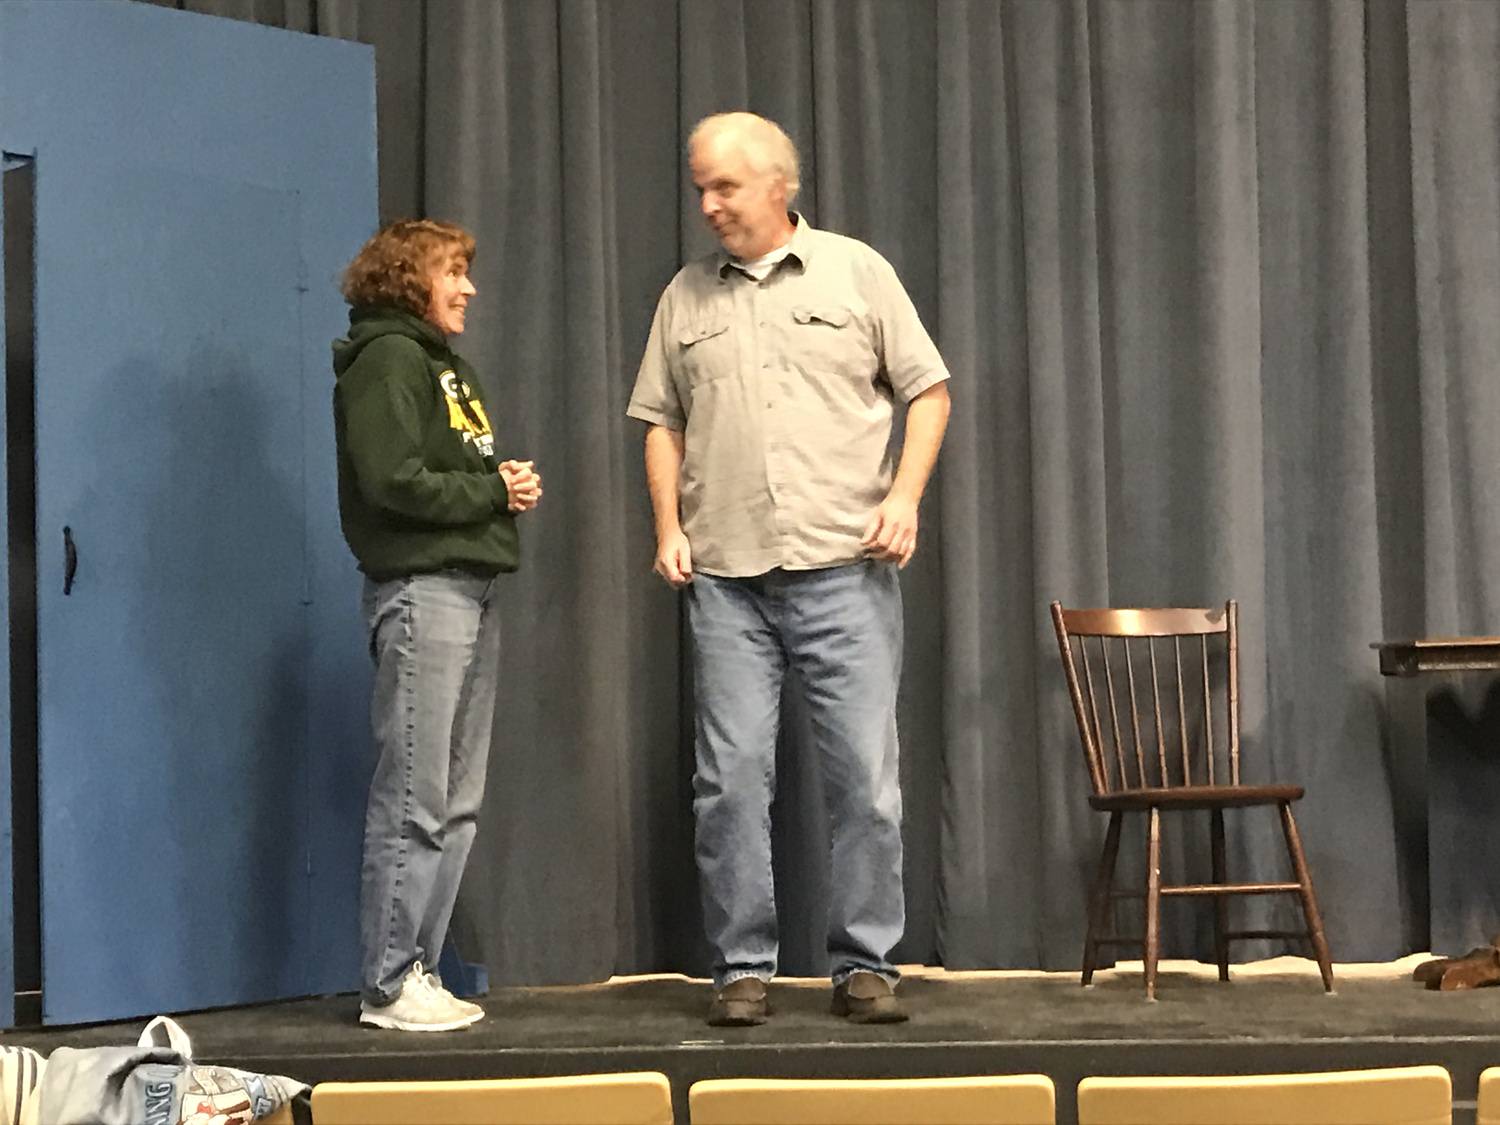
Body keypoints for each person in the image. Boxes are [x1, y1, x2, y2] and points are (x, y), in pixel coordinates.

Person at [627, 112, 951, 1026]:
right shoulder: (685, 296)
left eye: (723, 186)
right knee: (729, 781)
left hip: (844, 571)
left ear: (779, 183)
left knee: (865, 781)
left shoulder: (858, 273)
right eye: (700, 188)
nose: (708, 205)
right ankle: (741, 966)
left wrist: (904, 497)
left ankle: (866, 962)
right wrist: (667, 526)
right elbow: (662, 419)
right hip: (726, 579)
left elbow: (927, 389)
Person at [332, 219, 542, 1031]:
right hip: (423, 594)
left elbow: (444, 467)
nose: (469, 287)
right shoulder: (387, 359)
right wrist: (492, 493)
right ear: (411, 277)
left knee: (457, 800)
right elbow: (390, 480)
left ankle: (415, 967)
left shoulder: (444, 365)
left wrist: (501, 480)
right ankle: (386, 983)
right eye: (454, 271)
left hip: (470, 586)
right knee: (416, 795)